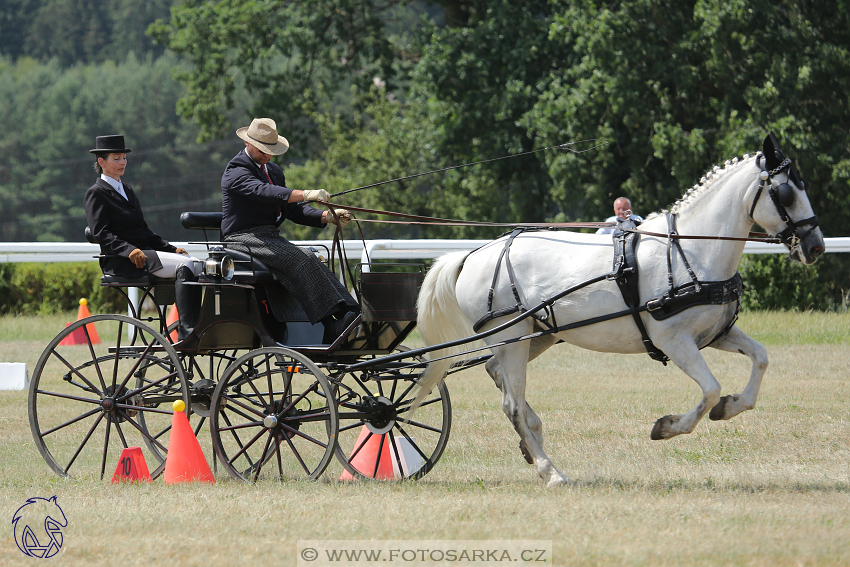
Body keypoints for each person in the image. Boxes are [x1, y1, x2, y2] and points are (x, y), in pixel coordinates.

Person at [220, 118, 359, 343]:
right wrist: (306, 193)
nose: (267, 155)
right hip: (242, 238)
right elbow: (264, 192)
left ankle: (349, 311)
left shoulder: (273, 171)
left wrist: (328, 217)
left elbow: (292, 210)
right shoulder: (235, 171)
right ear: (248, 143)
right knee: (301, 257)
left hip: (268, 237)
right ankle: (332, 322)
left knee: (312, 257)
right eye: (263, 150)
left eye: (271, 151)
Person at [83, 134, 202, 340]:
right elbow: (101, 233)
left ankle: (197, 323)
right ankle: (188, 332)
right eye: (116, 158)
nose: (122, 162)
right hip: (123, 260)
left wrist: (171, 249)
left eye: (124, 158)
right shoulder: (96, 193)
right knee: (186, 266)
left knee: (198, 265)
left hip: (146, 255)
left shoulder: (127, 190)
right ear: (101, 162)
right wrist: (129, 250)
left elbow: (144, 231)